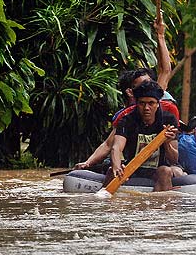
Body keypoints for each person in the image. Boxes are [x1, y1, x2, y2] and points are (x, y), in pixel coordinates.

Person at [74, 21, 177, 170]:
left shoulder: (156, 97)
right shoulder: (127, 117)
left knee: (172, 170)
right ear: (131, 93)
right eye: (142, 102)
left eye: (151, 103)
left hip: (167, 156)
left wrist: (160, 35)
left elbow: (166, 70)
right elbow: (110, 145)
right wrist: (88, 163)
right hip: (135, 164)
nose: (147, 106)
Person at [106, 81, 182, 191]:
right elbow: (116, 148)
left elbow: (174, 159)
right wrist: (117, 166)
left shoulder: (168, 120)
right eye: (142, 103)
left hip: (157, 169)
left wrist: (166, 142)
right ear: (137, 103)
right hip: (132, 167)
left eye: (151, 103)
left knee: (165, 171)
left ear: (158, 104)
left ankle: (161, 206)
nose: (146, 108)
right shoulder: (127, 120)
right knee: (111, 170)